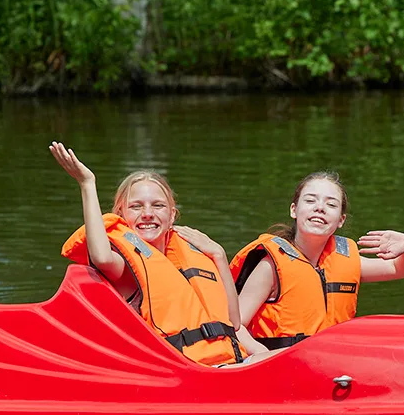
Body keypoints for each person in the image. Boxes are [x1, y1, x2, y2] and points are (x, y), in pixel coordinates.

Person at [50, 141, 269, 366]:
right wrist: (87, 184)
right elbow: (102, 258)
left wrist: (219, 255)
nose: (147, 213)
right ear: (121, 214)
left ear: (172, 215)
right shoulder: (126, 266)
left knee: (292, 355)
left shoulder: (194, 256)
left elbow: (233, 322)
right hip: (180, 371)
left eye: (158, 206)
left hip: (223, 365)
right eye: (136, 207)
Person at [230, 171, 404, 350]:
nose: (320, 208)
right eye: (310, 200)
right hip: (281, 365)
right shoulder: (270, 266)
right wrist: (265, 355)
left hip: (332, 364)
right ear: (294, 210)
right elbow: (234, 326)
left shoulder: (346, 262)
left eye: (331, 205)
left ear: (341, 220)